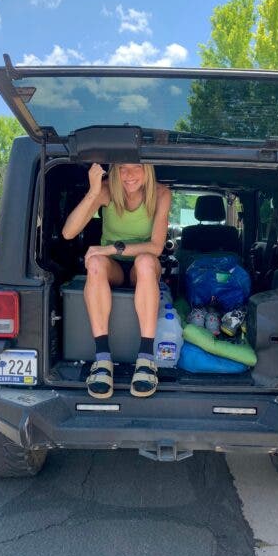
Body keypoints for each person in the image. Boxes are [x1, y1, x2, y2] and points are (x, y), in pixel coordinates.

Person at [62, 162, 172, 399]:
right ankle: (102, 360)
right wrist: (93, 191)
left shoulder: (161, 194)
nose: (129, 175)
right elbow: (68, 232)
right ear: (113, 171)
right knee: (94, 263)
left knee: (145, 261)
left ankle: (146, 360)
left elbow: (156, 247)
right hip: (112, 268)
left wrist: (111, 248)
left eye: (136, 167)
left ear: (147, 170)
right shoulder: (106, 190)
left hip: (142, 266)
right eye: (122, 168)